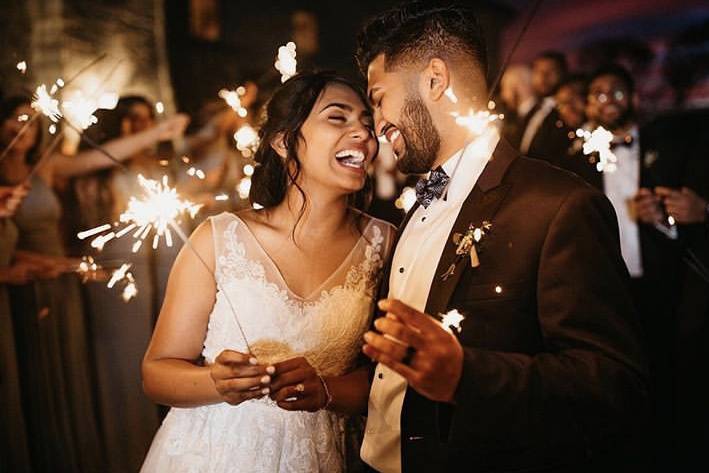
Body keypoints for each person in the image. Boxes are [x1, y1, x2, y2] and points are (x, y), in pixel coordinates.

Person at [356, 2, 648, 471]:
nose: (376, 122)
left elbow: (613, 385)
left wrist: (464, 376)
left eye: (378, 97)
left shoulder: (559, 206)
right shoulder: (412, 209)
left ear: (434, 80)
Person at [140, 71, 395, 472]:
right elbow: (156, 373)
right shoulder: (217, 239)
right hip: (213, 454)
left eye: (366, 123)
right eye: (337, 118)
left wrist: (327, 390)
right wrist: (216, 383)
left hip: (321, 455)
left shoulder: (385, 243)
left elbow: (389, 381)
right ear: (283, 141)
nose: (363, 134)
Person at [519, 50, 567, 156]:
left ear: (563, 73)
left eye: (551, 71)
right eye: (538, 71)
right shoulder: (533, 110)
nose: (543, 76)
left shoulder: (566, 113)